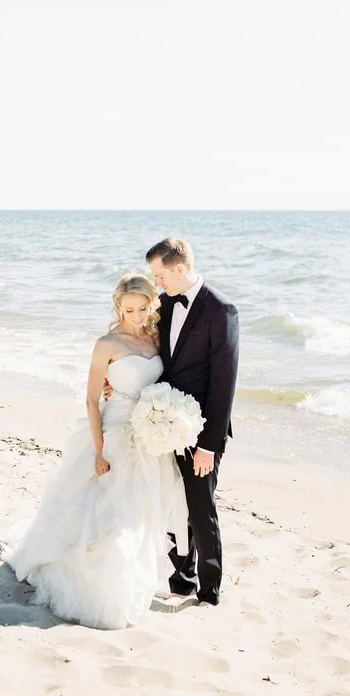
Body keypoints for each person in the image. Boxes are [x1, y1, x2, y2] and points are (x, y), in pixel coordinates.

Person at [1, 273, 187, 630]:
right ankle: (102, 588)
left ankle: (134, 576)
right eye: (129, 308)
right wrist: (99, 452)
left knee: (140, 515)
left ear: (152, 306)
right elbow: (90, 399)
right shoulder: (107, 343)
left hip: (149, 437)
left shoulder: (156, 338)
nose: (136, 315)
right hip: (114, 434)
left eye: (143, 308)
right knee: (107, 516)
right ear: (118, 307)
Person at [146, 238, 239, 607]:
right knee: (172, 503)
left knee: (201, 507)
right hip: (164, 422)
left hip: (202, 430)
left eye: (160, 275)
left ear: (179, 269)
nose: (156, 284)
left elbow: (224, 384)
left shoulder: (221, 311)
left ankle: (209, 591)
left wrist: (209, 445)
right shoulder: (165, 305)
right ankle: (181, 579)